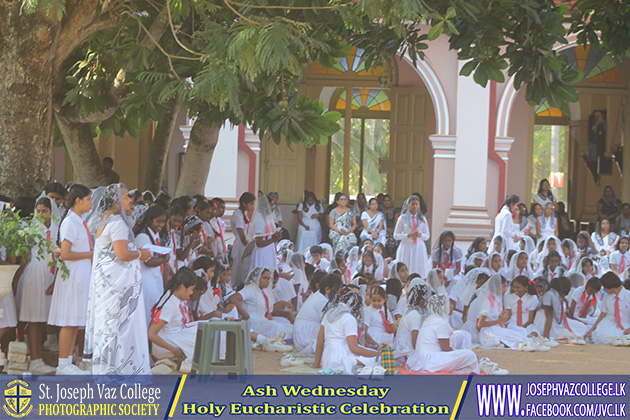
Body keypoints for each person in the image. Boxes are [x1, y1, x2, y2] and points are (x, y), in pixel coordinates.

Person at [84, 184, 152, 375]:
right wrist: (141, 253)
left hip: (109, 282)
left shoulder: (103, 221)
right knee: (120, 325)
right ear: (115, 203)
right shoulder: (117, 223)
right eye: (126, 197)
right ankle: (121, 369)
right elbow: (122, 254)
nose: (130, 201)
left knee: (109, 324)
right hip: (117, 285)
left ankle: (107, 367)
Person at [48, 184, 93, 375]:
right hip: (72, 275)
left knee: (75, 320)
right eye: (89, 199)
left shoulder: (80, 222)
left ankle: (67, 361)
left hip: (80, 275)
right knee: (68, 320)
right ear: (78, 201)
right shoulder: (70, 223)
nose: (91, 203)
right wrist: (90, 254)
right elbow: (65, 254)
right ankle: (63, 364)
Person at [17, 196, 58, 374]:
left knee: (43, 317)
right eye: (38, 211)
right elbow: (25, 256)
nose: (41, 214)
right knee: (33, 317)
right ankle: (35, 360)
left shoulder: (56, 227)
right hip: (35, 272)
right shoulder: (31, 228)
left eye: (44, 211)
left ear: (51, 212)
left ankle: (38, 356)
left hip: (51, 273)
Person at [406, 294, 481, 374]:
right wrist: (460, 352)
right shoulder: (440, 322)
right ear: (443, 307)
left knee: (463, 338)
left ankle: (460, 370)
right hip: (431, 360)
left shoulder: (431, 319)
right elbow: (446, 349)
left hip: (422, 359)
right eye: (449, 304)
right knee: (470, 355)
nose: (452, 306)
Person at [313, 285, 378, 374]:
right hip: (342, 358)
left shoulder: (329, 314)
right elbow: (354, 348)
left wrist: (316, 364)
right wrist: (378, 354)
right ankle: (352, 364)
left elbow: (320, 341)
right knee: (378, 360)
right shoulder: (349, 318)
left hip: (327, 360)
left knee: (369, 354)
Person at [228, 267, 293, 350]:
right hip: (252, 322)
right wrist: (244, 314)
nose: (268, 281)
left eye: (269, 278)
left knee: (289, 327)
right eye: (265, 278)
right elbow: (233, 298)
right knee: (275, 326)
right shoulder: (250, 288)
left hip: (261, 321)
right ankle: (271, 342)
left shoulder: (261, 291)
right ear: (257, 278)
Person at [148, 268, 199, 373]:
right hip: (167, 344)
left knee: (203, 327)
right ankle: (188, 364)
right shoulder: (170, 305)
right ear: (182, 287)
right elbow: (151, 334)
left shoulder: (175, 298)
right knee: (201, 336)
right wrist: (173, 350)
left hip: (174, 337)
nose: (192, 292)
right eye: (191, 289)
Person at [135, 205, 170, 325]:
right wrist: (164, 259)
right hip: (147, 282)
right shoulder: (143, 237)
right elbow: (148, 261)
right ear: (149, 220)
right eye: (158, 221)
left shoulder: (157, 236)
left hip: (156, 281)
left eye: (163, 222)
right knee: (148, 314)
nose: (160, 225)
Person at [293, 273, 342, 354]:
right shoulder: (321, 300)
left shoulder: (320, 295)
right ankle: (311, 348)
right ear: (327, 289)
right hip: (304, 333)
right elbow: (330, 321)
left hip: (307, 330)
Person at [585, 272, 630, 344]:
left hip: (626, 324)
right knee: (600, 336)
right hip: (610, 325)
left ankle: (623, 337)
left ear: (609, 286)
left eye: (604, 287)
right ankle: (622, 338)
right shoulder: (607, 297)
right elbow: (602, 315)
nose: (603, 290)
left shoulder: (628, 296)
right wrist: (591, 330)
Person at [394, 195, 430, 278]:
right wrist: (408, 235)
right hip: (407, 246)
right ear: (408, 205)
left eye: (417, 204)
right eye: (413, 204)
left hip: (418, 247)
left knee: (418, 266)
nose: (415, 206)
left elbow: (427, 235)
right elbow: (396, 235)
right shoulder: (402, 218)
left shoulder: (422, 218)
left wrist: (419, 234)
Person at [394, 278, 430, 353]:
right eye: (426, 298)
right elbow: (415, 344)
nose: (428, 301)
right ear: (421, 300)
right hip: (408, 352)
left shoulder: (412, 311)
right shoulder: (415, 314)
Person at [230, 192, 255, 288]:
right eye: (251, 204)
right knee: (238, 269)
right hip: (241, 245)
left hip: (245, 245)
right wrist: (250, 246)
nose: (252, 207)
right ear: (244, 203)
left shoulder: (243, 214)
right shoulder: (238, 215)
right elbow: (242, 237)